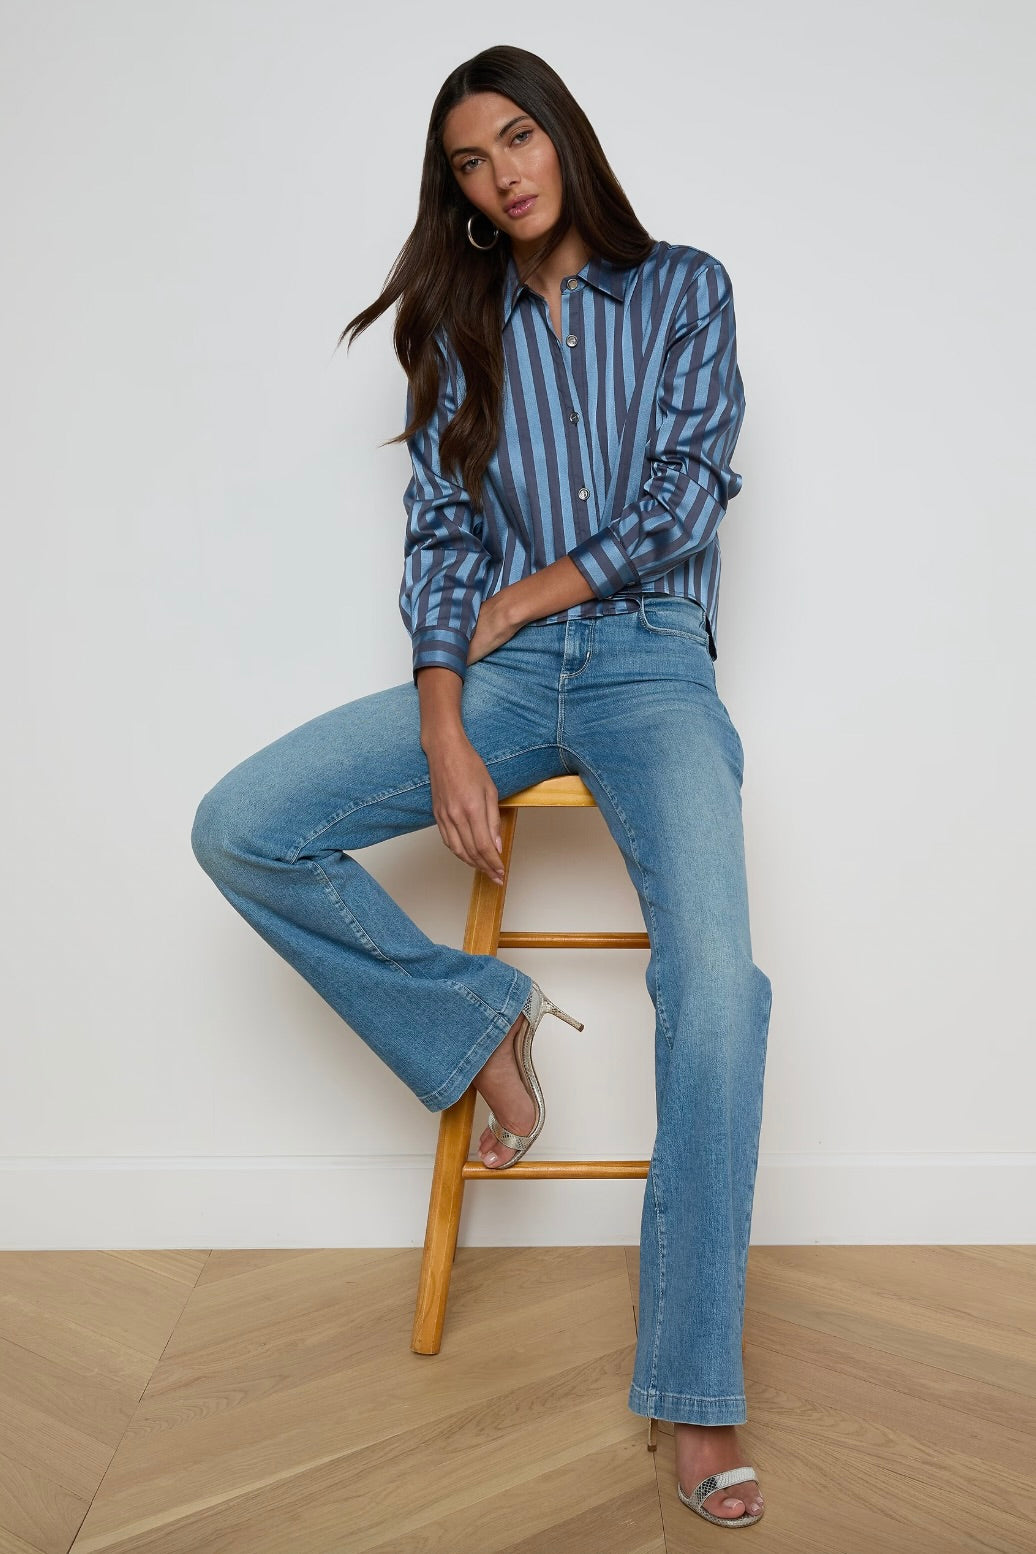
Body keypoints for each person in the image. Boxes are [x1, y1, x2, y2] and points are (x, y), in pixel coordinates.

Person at [190, 43, 771, 1528]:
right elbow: (442, 543)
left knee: (719, 985)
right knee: (244, 826)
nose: (504, 172)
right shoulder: (461, 328)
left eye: (519, 137)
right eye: (471, 159)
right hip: (496, 682)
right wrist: (446, 718)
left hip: (650, 662)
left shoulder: (683, 289)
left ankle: (696, 1385)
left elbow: (687, 490)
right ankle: (479, 1021)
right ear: (453, 188)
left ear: (563, 137)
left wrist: (531, 597)